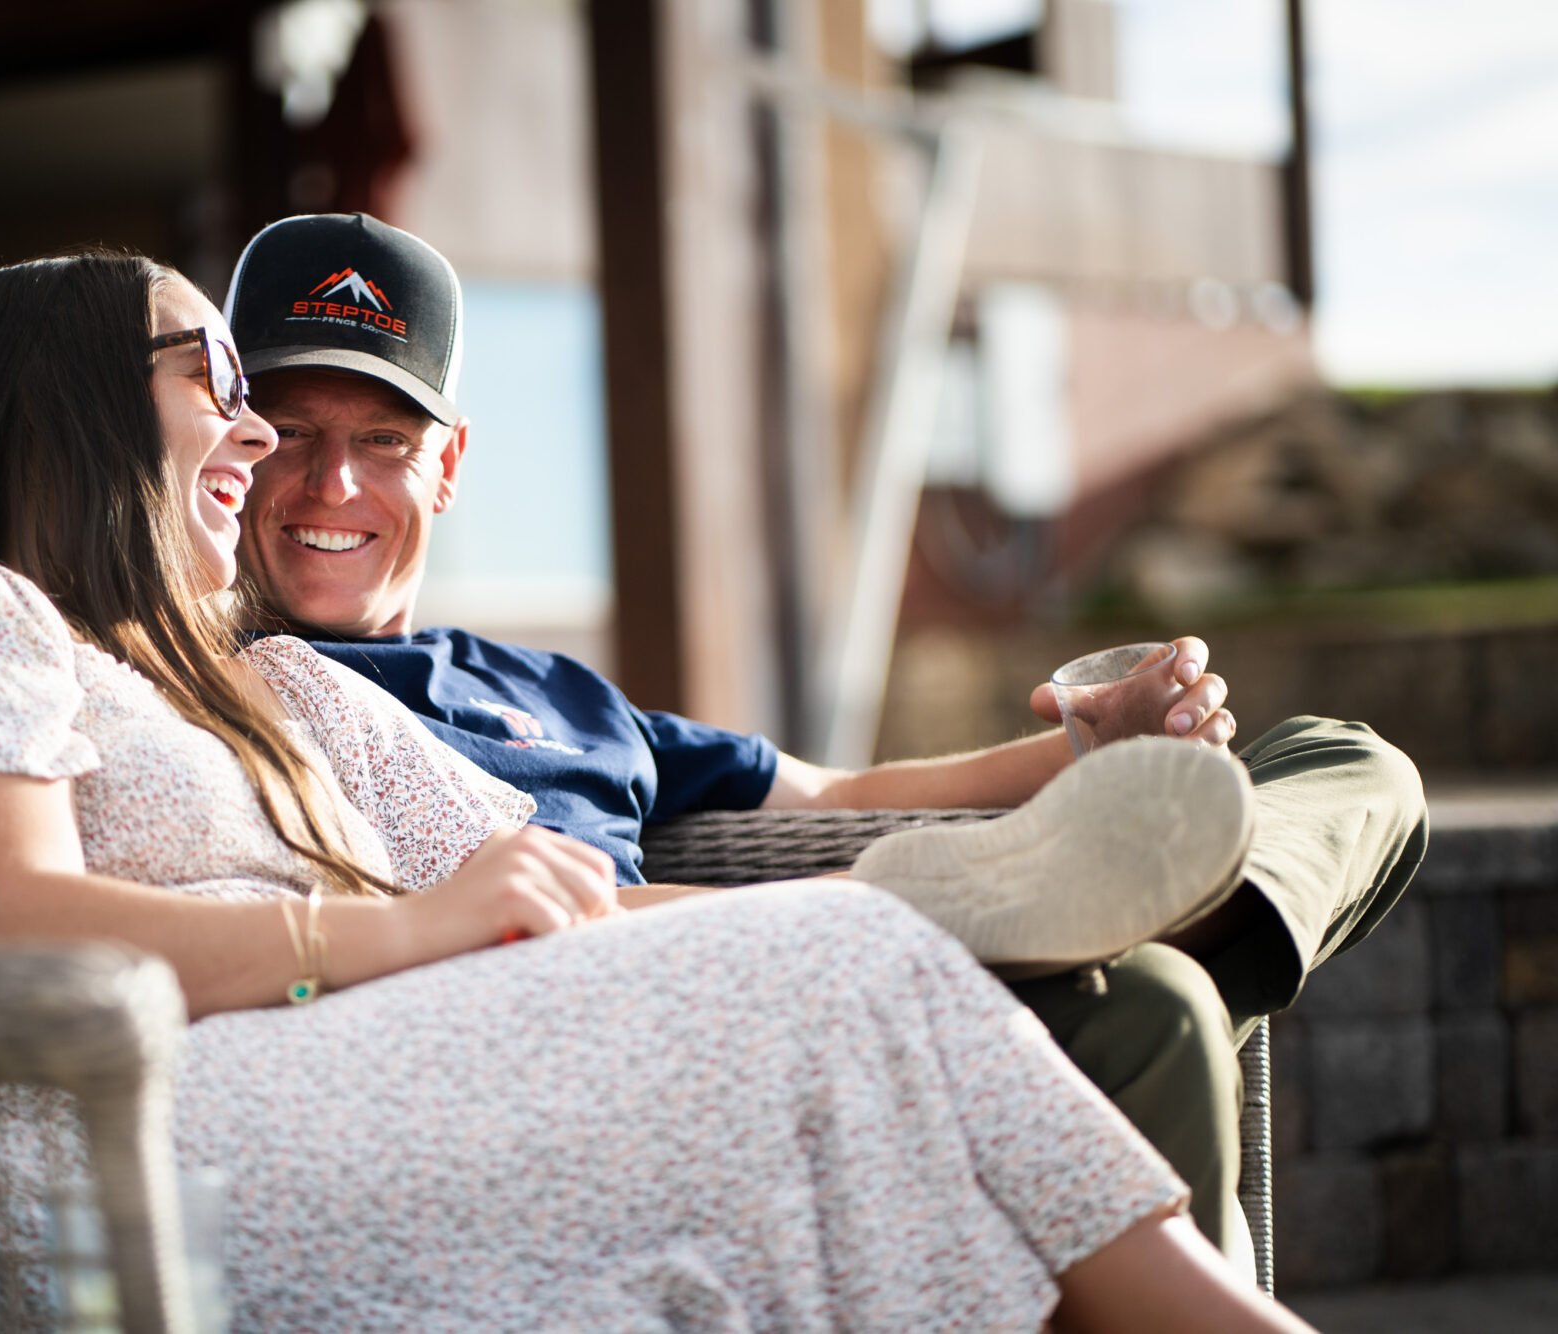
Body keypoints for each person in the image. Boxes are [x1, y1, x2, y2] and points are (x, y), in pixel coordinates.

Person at [0, 248, 1325, 1331]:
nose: (259, 436)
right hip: (162, 1135)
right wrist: (393, 932)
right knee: (858, 983)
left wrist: (744, 933)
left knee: (869, 998)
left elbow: (551, 889)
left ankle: (931, 933)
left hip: (379, 1064)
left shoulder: (269, 677)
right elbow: (1, 922)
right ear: (70, 405)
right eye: (219, 387)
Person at [217, 212, 1430, 1258]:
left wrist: (1089, 743)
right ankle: (1090, 919)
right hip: (657, 1042)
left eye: (384, 439)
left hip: (837, 970)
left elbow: (833, 793)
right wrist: (855, 915)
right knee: (1153, 1001)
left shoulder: (552, 690)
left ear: (447, 465)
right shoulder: (203, 691)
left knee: (1341, 756)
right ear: (230, 449)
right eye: (291, 432)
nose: (333, 485)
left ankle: (1182, 905)